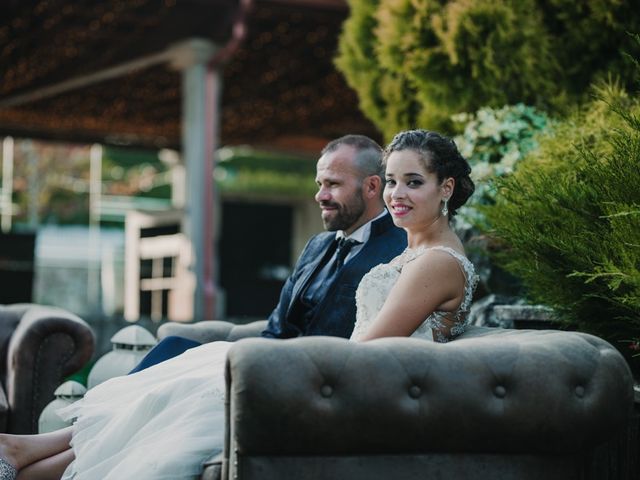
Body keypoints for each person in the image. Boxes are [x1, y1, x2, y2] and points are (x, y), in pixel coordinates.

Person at [0, 129, 477, 480]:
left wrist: (280, 366)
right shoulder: (416, 250)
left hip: (353, 389)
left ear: (446, 188)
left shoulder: (434, 262)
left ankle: (25, 454)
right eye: (392, 181)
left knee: (196, 391)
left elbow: (365, 351)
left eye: (412, 182)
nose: (397, 194)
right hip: (338, 373)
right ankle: (24, 457)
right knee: (190, 373)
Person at [132, 134, 407, 371]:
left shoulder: (400, 251)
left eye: (333, 184)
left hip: (316, 376)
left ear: (372, 186)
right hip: (268, 361)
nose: (320, 196)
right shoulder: (317, 246)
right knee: (173, 348)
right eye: (319, 184)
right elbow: (277, 328)